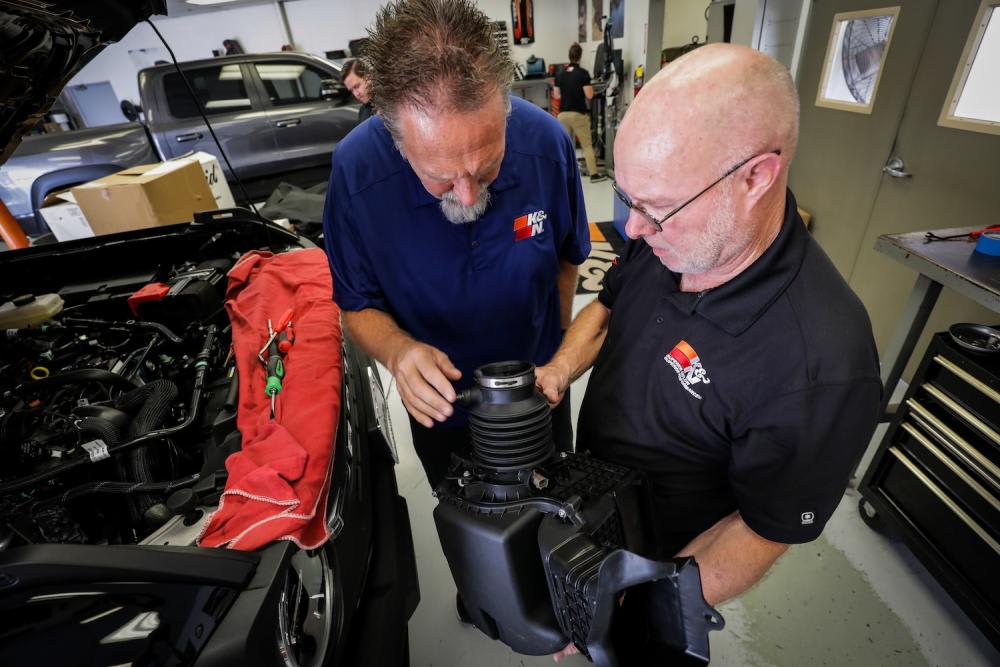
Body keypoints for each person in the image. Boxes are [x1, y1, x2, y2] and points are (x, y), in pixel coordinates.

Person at [538, 43, 881, 660]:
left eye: (659, 208)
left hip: (670, 553)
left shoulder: (821, 363)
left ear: (756, 177)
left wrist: (634, 595)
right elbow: (607, 309)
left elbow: (762, 530)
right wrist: (560, 369)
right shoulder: (671, 237)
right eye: (628, 199)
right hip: (593, 499)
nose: (634, 229)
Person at [323, 0, 589, 491]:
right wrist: (399, 353)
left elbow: (567, 260)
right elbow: (356, 305)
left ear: (505, 111)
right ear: (396, 138)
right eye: (441, 177)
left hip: (540, 398)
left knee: (562, 532)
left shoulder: (547, 145)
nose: (470, 196)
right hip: (441, 412)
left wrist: (558, 349)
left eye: (487, 168)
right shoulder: (356, 172)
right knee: (474, 548)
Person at [554, 43, 606, 183]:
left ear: (570, 56)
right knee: (587, 146)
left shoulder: (560, 74)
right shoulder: (583, 73)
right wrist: (593, 91)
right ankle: (594, 175)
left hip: (562, 115)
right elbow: (589, 95)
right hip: (578, 114)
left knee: (565, 146)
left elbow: (557, 95)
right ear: (580, 57)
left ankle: (563, 175)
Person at [341, 57, 374, 122]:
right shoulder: (363, 110)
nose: (356, 94)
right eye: (352, 90)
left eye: (357, 86)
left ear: (370, 77)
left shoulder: (393, 105)